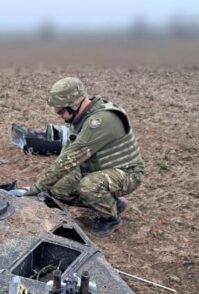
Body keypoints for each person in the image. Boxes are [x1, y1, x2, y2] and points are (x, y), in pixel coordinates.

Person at [22, 77, 144, 236]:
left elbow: (71, 158)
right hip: (98, 170)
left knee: (88, 187)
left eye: (61, 111)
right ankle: (111, 203)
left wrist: (37, 188)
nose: (59, 116)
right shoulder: (81, 118)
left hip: (128, 173)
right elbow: (66, 154)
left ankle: (110, 218)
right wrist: (46, 185)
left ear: (73, 105)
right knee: (58, 189)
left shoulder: (102, 120)